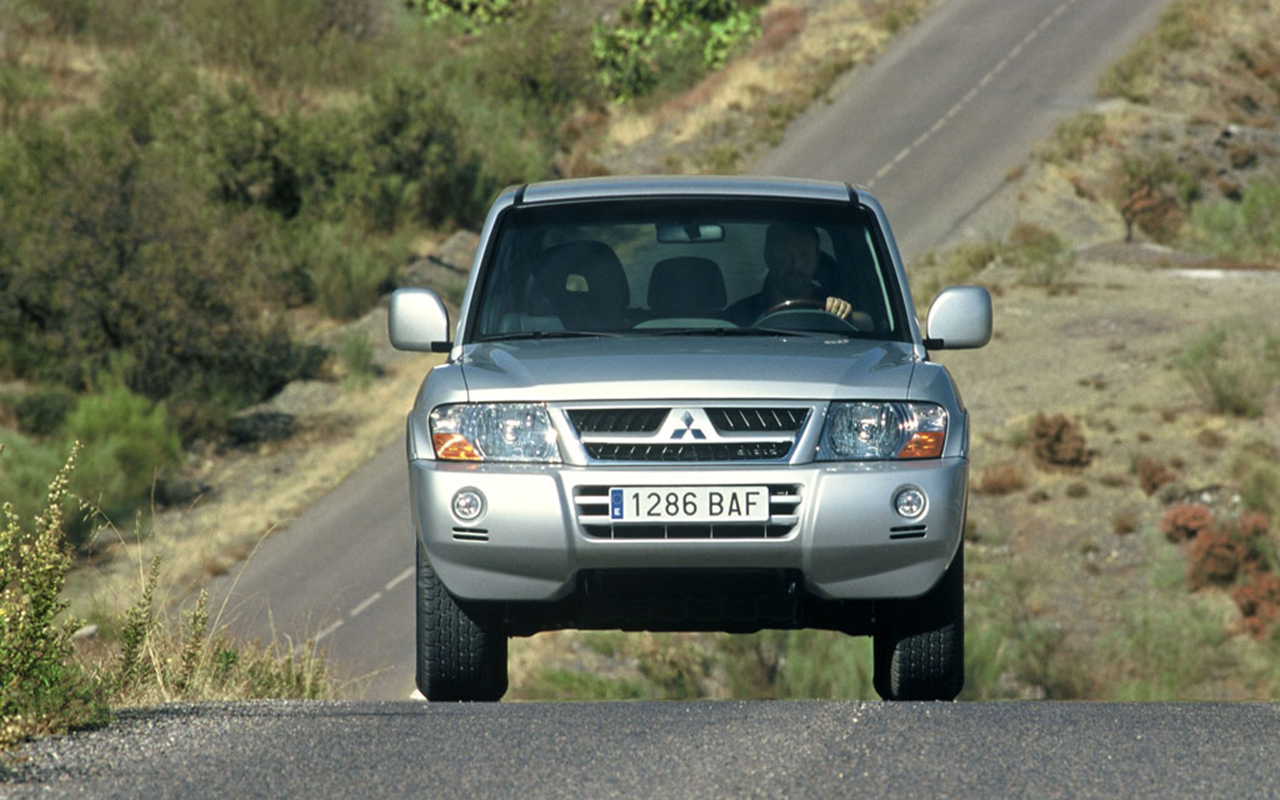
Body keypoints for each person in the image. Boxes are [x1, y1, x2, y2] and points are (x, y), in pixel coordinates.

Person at [727, 222, 856, 325]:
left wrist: (846, 314)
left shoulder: (831, 309)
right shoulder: (742, 314)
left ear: (817, 259)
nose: (796, 265)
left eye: (805, 255)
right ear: (768, 257)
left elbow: (869, 324)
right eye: (785, 255)